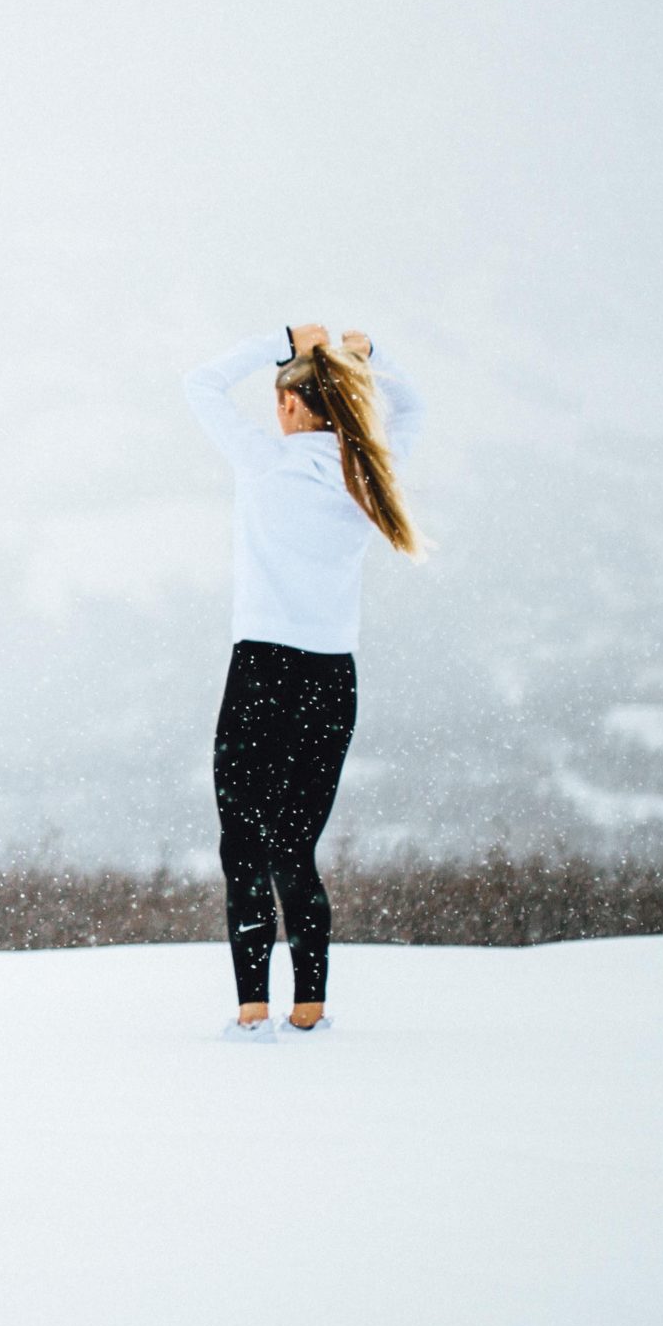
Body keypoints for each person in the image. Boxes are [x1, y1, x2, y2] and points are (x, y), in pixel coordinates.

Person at [182, 323, 426, 1040]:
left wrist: (281, 337)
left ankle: (253, 1008)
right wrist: (369, 353)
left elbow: (199, 383)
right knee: (295, 846)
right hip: (330, 677)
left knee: (244, 844)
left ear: (291, 407)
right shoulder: (364, 471)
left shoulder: (264, 462)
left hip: (261, 670)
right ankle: (310, 1005)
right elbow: (413, 409)